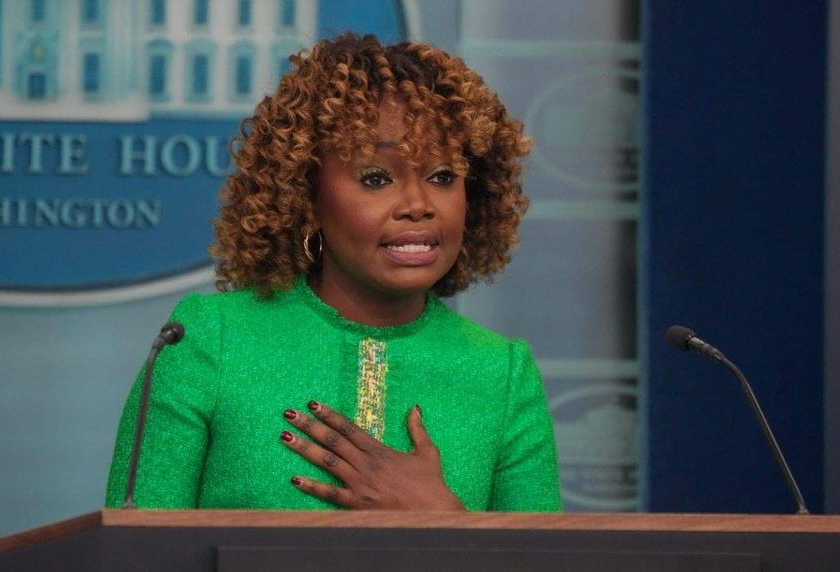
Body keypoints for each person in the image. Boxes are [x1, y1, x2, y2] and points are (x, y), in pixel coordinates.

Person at [105, 33, 561, 512]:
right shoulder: (207, 340)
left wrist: (442, 520)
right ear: (308, 196)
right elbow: (132, 552)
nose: (419, 205)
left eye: (443, 176)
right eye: (375, 178)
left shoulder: (501, 372)